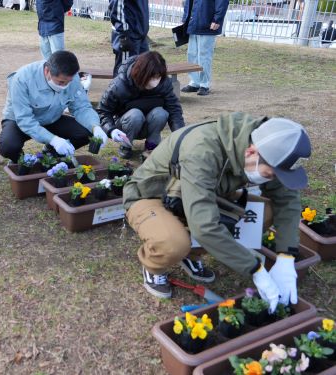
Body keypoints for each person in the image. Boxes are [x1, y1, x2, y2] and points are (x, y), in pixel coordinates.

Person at [123, 112, 311, 315]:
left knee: (263, 213)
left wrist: (286, 256)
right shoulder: (202, 149)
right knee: (173, 243)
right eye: (269, 175)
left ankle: (191, 254)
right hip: (153, 196)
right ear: (251, 152)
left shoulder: (268, 149)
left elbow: (287, 200)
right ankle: (154, 267)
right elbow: (204, 226)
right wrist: (255, 269)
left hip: (201, 194)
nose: (270, 179)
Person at [0, 51, 109, 162]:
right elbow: (25, 120)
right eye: (61, 82)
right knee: (8, 146)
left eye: (68, 82)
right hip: (19, 121)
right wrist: (53, 140)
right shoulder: (22, 79)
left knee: (86, 132)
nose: (65, 86)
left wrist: (95, 127)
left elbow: (82, 107)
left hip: (51, 118)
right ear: (47, 71)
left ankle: (51, 154)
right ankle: (21, 161)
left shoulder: (71, 77)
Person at [97, 51, 185, 159]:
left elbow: (174, 109)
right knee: (135, 114)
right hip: (125, 124)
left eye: (158, 77)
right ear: (142, 74)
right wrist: (111, 130)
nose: (155, 83)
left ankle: (151, 146)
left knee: (161, 113)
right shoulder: (119, 85)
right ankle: (126, 146)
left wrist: (181, 136)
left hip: (151, 122)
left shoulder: (164, 83)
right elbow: (103, 111)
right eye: (152, 78)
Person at [180, 0, 229, 96]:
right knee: (192, 54)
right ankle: (194, 82)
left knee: (204, 55)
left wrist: (217, 19)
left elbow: (222, 2)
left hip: (208, 23)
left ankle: (204, 84)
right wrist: (185, 17)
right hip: (193, 23)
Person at [109, 0, 149, 77]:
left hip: (141, 34)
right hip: (128, 34)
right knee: (124, 73)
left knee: (144, 71)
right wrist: (124, 32)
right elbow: (116, 6)